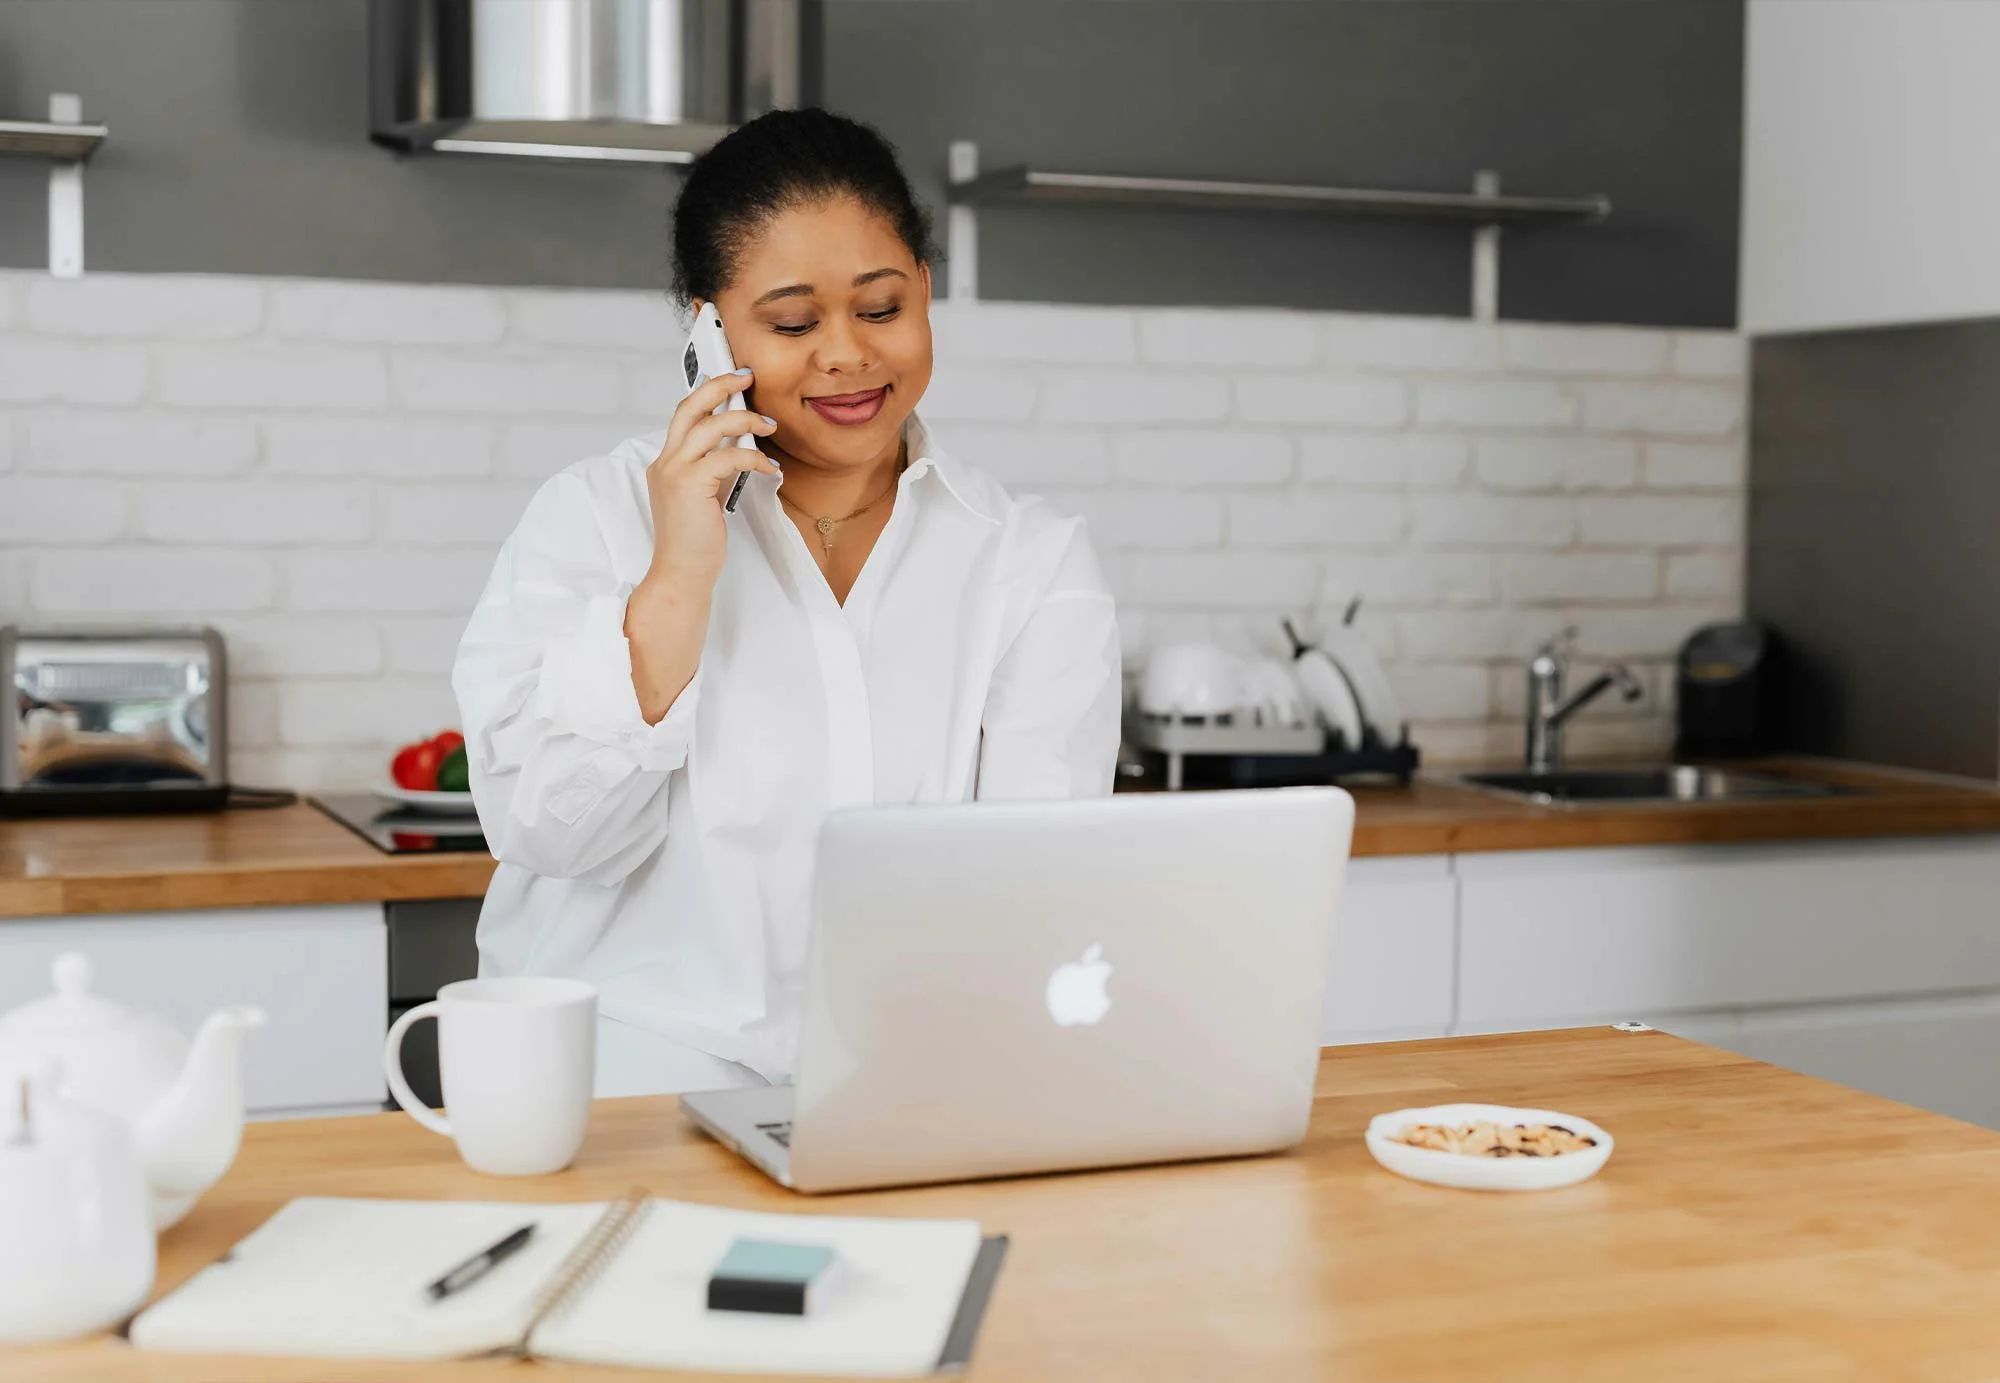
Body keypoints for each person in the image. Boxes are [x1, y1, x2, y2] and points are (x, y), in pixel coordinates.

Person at [452, 108, 1123, 1097]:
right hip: (622, 1082)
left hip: (897, 1090)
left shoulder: (1029, 561)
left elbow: (1032, 891)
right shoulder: (594, 517)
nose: (848, 355)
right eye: (794, 323)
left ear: (926, 292)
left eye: (882, 309)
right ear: (706, 329)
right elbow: (553, 835)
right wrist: (680, 568)